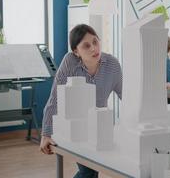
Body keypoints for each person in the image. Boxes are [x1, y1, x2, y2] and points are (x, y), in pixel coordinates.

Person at [39, 24, 122, 178]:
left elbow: (127, 97)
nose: (93, 48)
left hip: (100, 128)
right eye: (86, 46)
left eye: (95, 42)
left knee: (91, 172)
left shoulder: (113, 65)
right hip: (76, 127)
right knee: (88, 172)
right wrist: (46, 133)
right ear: (76, 51)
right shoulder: (70, 62)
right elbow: (55, 98)